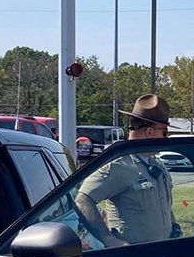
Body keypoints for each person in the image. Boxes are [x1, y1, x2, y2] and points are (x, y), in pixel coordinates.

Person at [75, 94, 179, 247]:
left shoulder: (157, 165)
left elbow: (163, 205)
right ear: (149, 132)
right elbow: (83, 200)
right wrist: (108, 239)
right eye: (164, 132)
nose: (166, 137)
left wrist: (174, 228)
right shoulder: (118, 165)